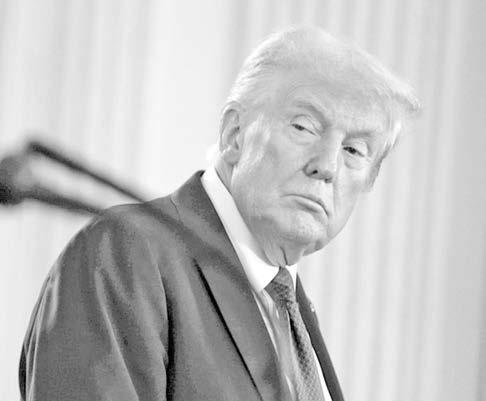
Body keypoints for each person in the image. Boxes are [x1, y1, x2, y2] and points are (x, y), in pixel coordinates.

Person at [19, 26, 419, 401]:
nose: (327, 165)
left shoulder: (291, 312)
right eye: (304, 127)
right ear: (234, 135)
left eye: (354, 150)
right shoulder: (126, 254)